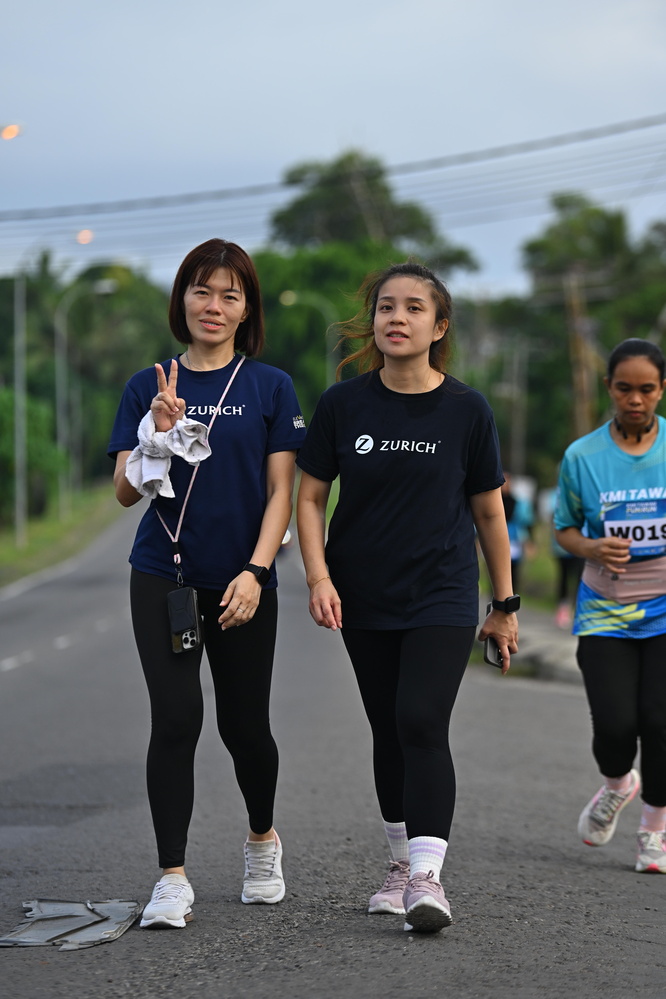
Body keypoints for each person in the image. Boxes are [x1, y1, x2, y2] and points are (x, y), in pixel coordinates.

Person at [296, 261, 519, 933]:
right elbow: (310, 498)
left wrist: (504, 605)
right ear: (373, 322)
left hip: (442, 591)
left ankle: (426, 876)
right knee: (387, 727)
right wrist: (319, 576)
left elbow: (489, 512)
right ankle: (398, 864)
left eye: (414, 308)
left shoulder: (467, 409)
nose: (397, 317)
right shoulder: (343, 405)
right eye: (386, 306)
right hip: (361, 593)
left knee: (420, 720)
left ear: (439, 326)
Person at [108, 238, 306, 928]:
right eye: (201, 290)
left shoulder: (270, 386)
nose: (213, 305)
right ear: (182, 299)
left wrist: (256, 571)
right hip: (162, 577)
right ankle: (172, 876)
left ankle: (262, 840)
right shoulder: (148, 383)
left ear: (247, 308)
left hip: (242, 581)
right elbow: (123, 492)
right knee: (175, 719)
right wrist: (158, 434)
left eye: (229, 294)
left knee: (244, 726)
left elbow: (281, 492)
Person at [554, 338, 666, 874]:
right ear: (609, 388)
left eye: (647, 389)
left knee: (661, 722)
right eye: (624, 389)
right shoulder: (583, 457)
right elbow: (564, 530)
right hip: (606, 610)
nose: (635, 400)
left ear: (662, 389)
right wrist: (593, 548)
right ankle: (618, 784)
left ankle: (654, 831)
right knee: (616, 725)